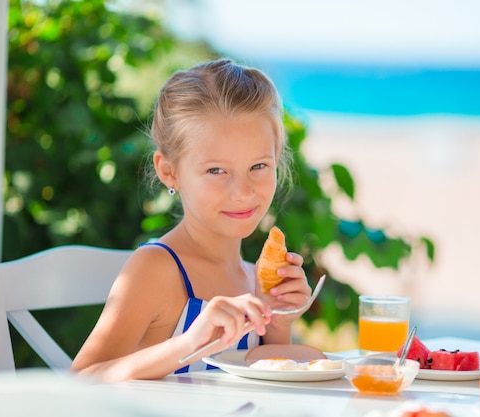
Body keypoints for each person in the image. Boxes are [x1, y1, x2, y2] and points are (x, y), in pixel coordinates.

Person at [70, 58, 312, 382]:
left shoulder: (253, 278)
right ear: (169, 172)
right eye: (216, 171)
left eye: (258, 166)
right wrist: (189, 342)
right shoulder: (156, 270)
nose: (242, 192)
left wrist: (278, 323)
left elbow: (262, 387)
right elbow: (81, 378)